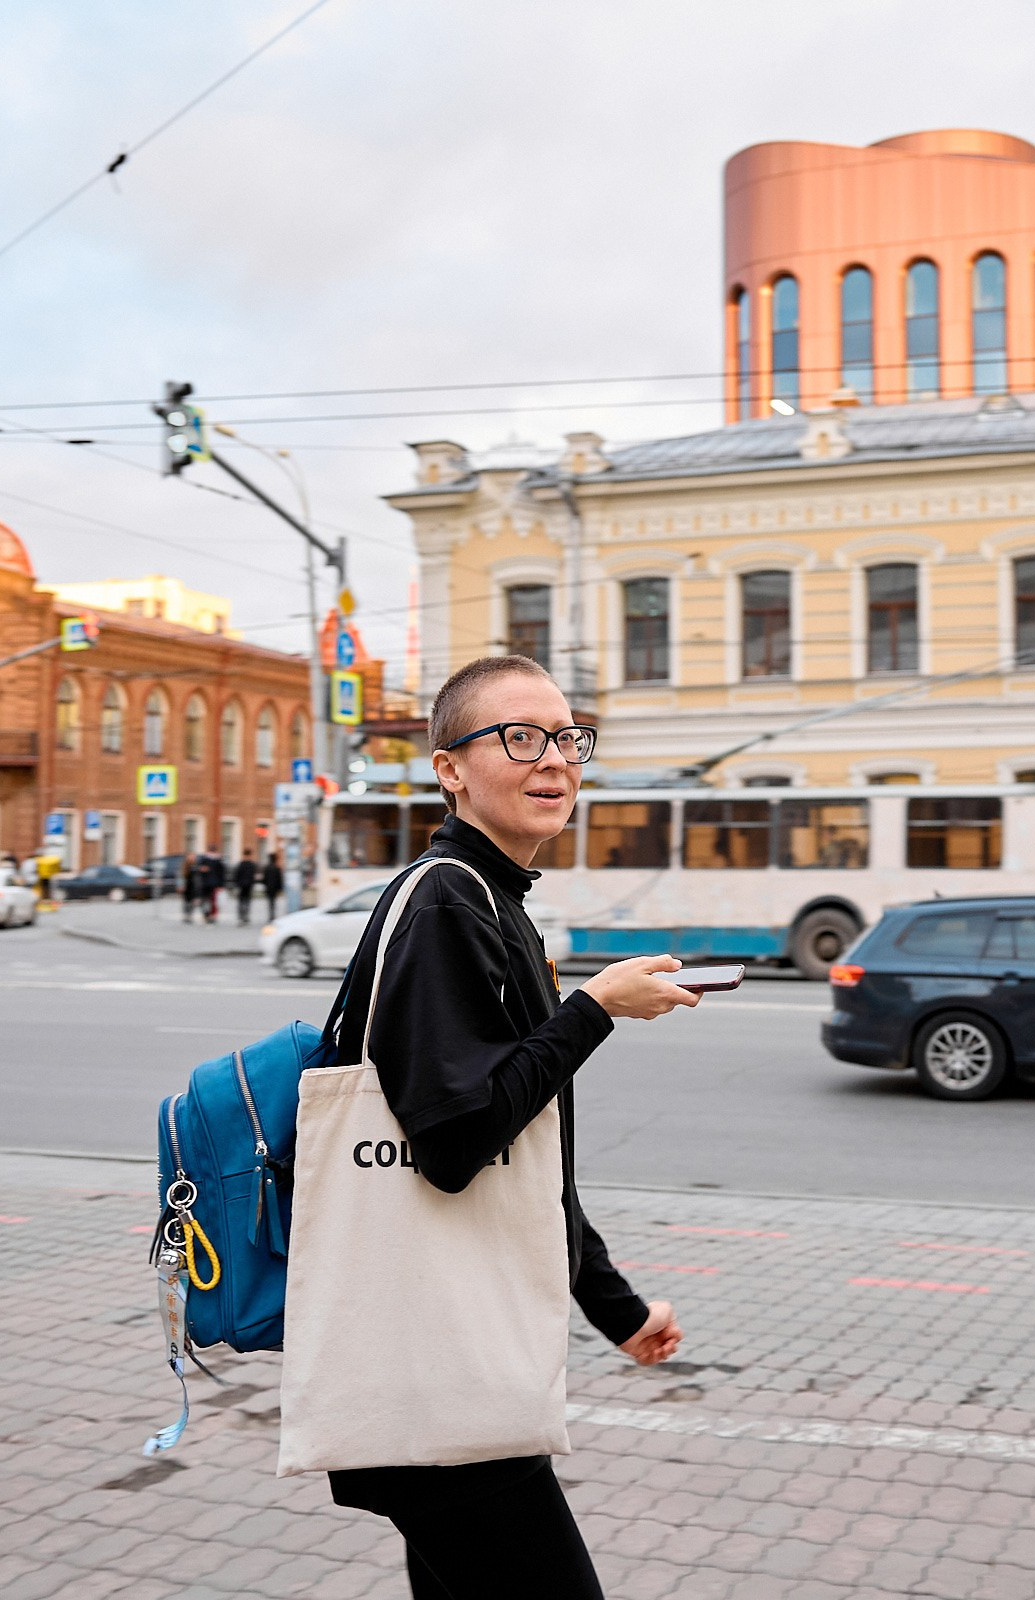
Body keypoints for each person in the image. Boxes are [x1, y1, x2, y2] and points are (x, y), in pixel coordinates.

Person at [316, 654, 694, 1599]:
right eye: (520, 738)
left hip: (447, 1365)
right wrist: (597, 1008)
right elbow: (454, 1143)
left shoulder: (496, 905)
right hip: (437, 1364)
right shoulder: (447, 901)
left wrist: (616, 1307)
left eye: (568, 739)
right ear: (450, 768)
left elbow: (526, 1161)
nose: (556, 762)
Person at [199, 851, 227, 922]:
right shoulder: (218, 861)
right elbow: (222, 874)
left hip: (207, 884)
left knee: (208, 900)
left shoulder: (204, 860)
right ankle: (210, 915)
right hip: (212, 884)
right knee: (211, 901)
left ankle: (207, 914)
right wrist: (221, 885)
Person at [233, 849, 258, 925]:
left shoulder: (241, 864)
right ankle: (246, 916)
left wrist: (237, 884)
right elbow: (254, 876)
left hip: (241, 885)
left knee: (241, 901)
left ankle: (241, 917)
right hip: (249, 885)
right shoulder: (252, 865)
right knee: (247, 901)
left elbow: (236, 875)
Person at [260, 846, 286, 921]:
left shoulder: (266, 868)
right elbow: (279, 879)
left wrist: (264, 886)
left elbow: (264, 879)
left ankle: (270, 915)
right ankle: (272, 915)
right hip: (274, 888)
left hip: (268, 888)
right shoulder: (277, 868)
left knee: (270, 902)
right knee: (273, 902)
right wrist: (280, 888)